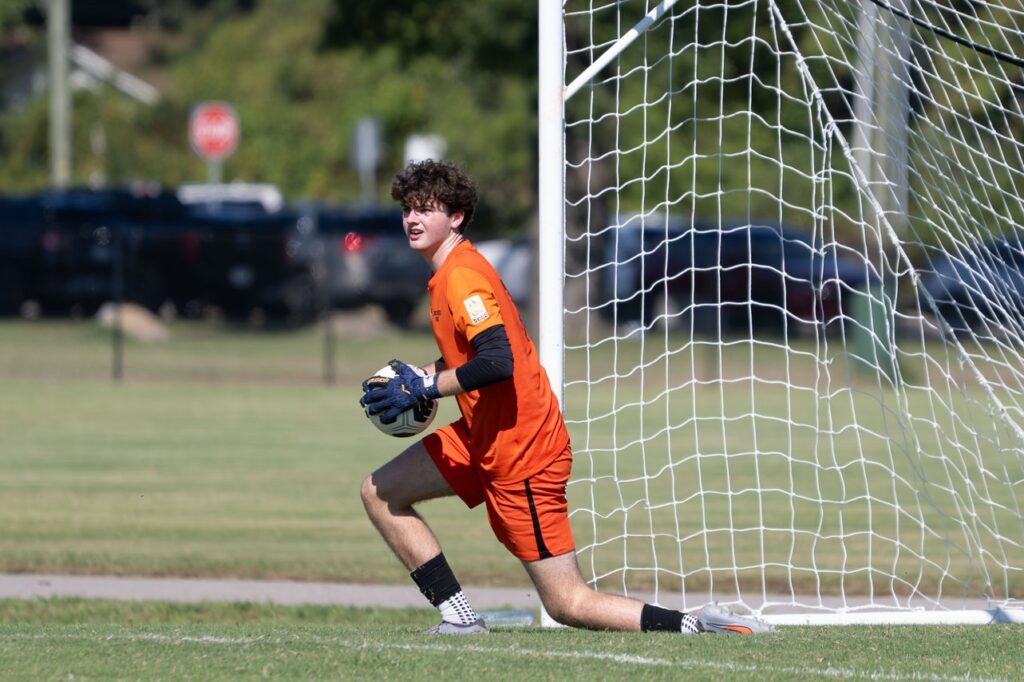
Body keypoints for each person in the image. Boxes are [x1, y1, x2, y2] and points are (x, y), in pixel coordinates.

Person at [359, 159, 775, 636]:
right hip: (483, 434)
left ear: (456, 217)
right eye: (408, 209)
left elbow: (497, 362)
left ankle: (698, 625)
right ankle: (460, 619)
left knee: (567, 603)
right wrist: (418, 374)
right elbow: (475, 353)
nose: (412, 219)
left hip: (523, 448)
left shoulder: (462, 276)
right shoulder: (448, 272)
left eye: (426, 209)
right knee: (380, 491)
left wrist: (427, 387)